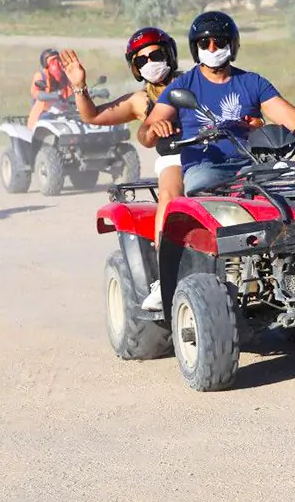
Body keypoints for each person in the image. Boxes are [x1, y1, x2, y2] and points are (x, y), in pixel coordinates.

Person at [137, 11, 295, 311]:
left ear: (232, 44)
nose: (211, 48)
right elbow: (145, 132)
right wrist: (153, 128)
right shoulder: (184, 87)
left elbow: (288, 115)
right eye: (204, 43)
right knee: (210, 202)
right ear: (195, 48)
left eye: (218, 41)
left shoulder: (251, 82)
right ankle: (213, 275)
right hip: (206, 169)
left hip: (253, 165)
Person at [59, 27, 197, 309]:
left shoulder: (195, 82)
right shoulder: (140, 101)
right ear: (135, 68)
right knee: (170, 197)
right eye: (141, 61)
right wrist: (79, 86)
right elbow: (93, 116)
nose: (150, 63)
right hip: (175, 159)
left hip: (215, 152)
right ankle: (165, 277)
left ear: (169, 54)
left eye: (155, 55)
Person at [27, 48, 73, 130]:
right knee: (47, 119)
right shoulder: (41, 76)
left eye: (58, 60)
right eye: (53, 61)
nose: (57, 64)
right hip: (45, 111)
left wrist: (91, 93)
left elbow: (73, 92)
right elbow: (38, 94)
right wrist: (55, 95)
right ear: (45, 64)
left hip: (63, 110)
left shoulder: (65, 77)